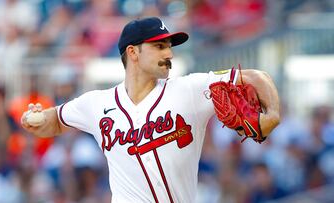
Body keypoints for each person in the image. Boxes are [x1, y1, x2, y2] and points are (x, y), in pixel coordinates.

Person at [21, 17, 280, 203]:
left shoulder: (189, 89)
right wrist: (33, 118)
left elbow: (257, 77)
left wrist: (271, 116)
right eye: (159, 46)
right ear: (132, 52)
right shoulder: (96, 103)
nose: (169, 53)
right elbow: (54, 120)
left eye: (169, 46)